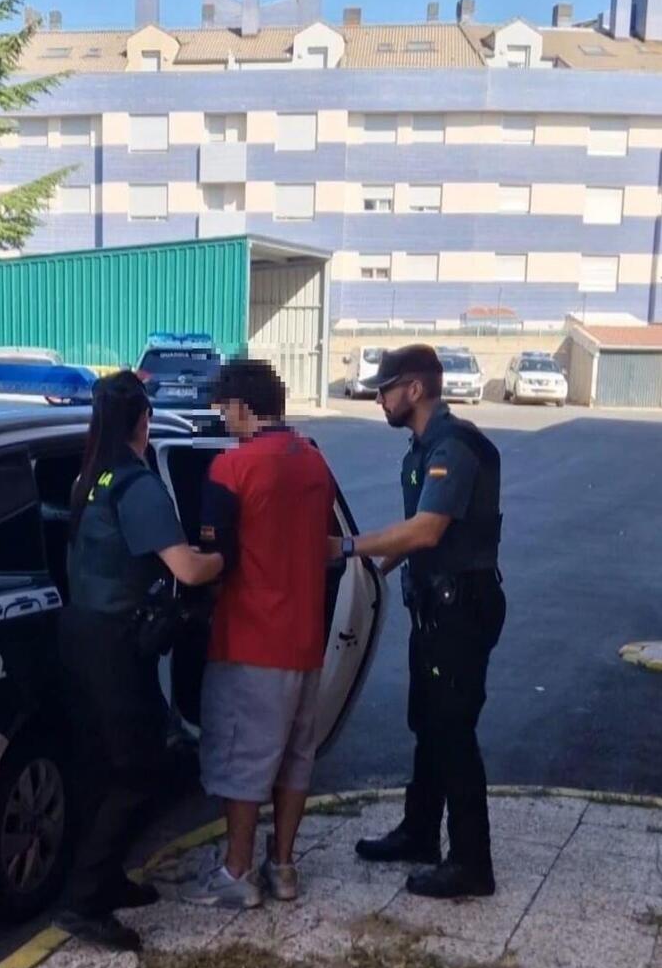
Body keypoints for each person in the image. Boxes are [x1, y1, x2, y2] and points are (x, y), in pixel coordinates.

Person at [327, 345, 505, 900]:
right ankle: (421, 832)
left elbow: (426, 531)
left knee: (453, 730)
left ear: (415, 389)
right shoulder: (422, 449)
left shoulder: (453, 446)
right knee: (427, 722)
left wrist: (345, 547)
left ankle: (472, 864)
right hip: (434, 607)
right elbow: (413, 537)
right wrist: (372, 573)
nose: (378, 397)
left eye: (385, 388)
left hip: (461, 610)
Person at [56, 370, 224, 952]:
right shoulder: (138, 484)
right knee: (139, 770)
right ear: (142, 422)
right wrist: (227, 555)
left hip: (78, 634)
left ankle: (103, 882)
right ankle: (82, 904)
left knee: (98, 767)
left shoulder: (91, 477)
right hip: (113, 645)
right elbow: (188, 570)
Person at [182, 359, 337, 910]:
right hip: (305, 642)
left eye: (224, 408)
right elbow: (331, 545)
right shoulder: (314, 461)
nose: (222, 418)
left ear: (243, 407)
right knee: (296, 758)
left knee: (243, 761)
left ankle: (236, 873)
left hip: (249, 640)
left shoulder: (233, 467)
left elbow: (213, 557)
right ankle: (284, 867)